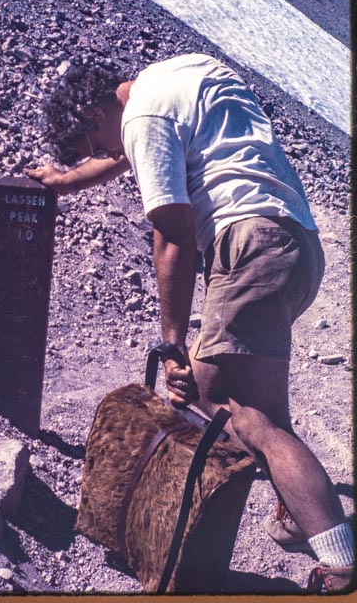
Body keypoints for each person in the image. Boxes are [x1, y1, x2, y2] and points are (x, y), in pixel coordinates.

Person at [25, 52, 353, 593]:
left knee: (224, 405)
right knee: (262, 408)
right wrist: (67, 181)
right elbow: (127, 155)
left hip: (249, 248)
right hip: (295, 245)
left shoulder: (142, 119)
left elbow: (173, 235)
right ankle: (301, 512)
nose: (106, 154)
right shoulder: (180, 76)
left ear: (91, 113)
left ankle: (341, 564)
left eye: (95, 144)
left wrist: (172, 343)